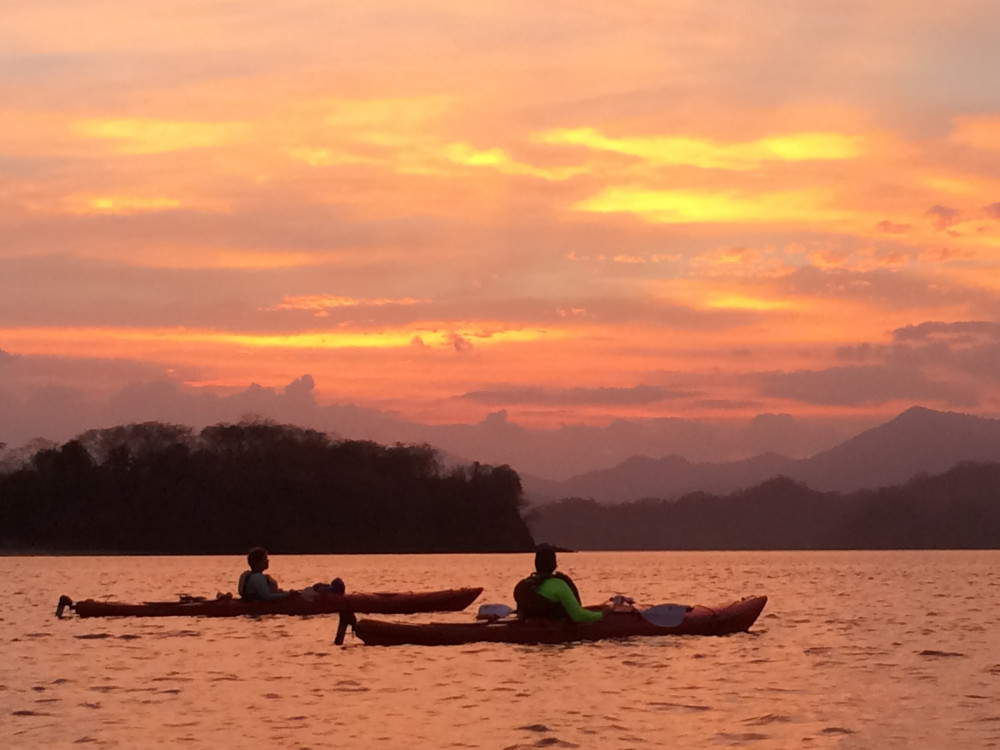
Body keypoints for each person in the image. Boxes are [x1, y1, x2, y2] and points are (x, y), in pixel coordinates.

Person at [513, 544, 602, 623]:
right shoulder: (559, 585)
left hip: (530, 626)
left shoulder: (529, 586)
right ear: (555, 565)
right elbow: (578, 616)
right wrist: (604, 615)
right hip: (551, 631)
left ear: (536, 565)